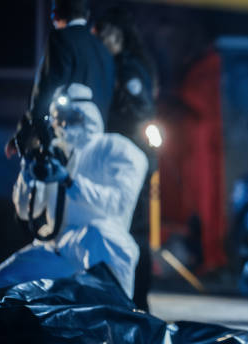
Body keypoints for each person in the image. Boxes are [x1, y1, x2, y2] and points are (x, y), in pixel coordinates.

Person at [0, 83, 148, 298]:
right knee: (4, 280)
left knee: (108, 239)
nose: (62, 125)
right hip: (56, 247)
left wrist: (69, 181)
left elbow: (118, 202)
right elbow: (25, 211)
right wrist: (29, 168)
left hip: (93, 246)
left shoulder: (116, 149)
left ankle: (118, 315)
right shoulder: (55, 154)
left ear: (87, 115)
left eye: (69, 117)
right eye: (57, 118)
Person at [93, 7, 158, 311]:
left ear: (115, 34)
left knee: (135, 233)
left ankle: (139, 303)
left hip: (131, 162)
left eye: (102, 34)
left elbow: (140, 112)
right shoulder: (115, 65)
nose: (98, 40)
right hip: (122, 160)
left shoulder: (129, 68)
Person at [5, 0, 114, 158]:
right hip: (96, 146)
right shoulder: (104, 50)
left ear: (55, 15)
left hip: (64, 142)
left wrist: (23, 137)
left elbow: (46, 90)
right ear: (87, 15)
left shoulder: (60, 39)